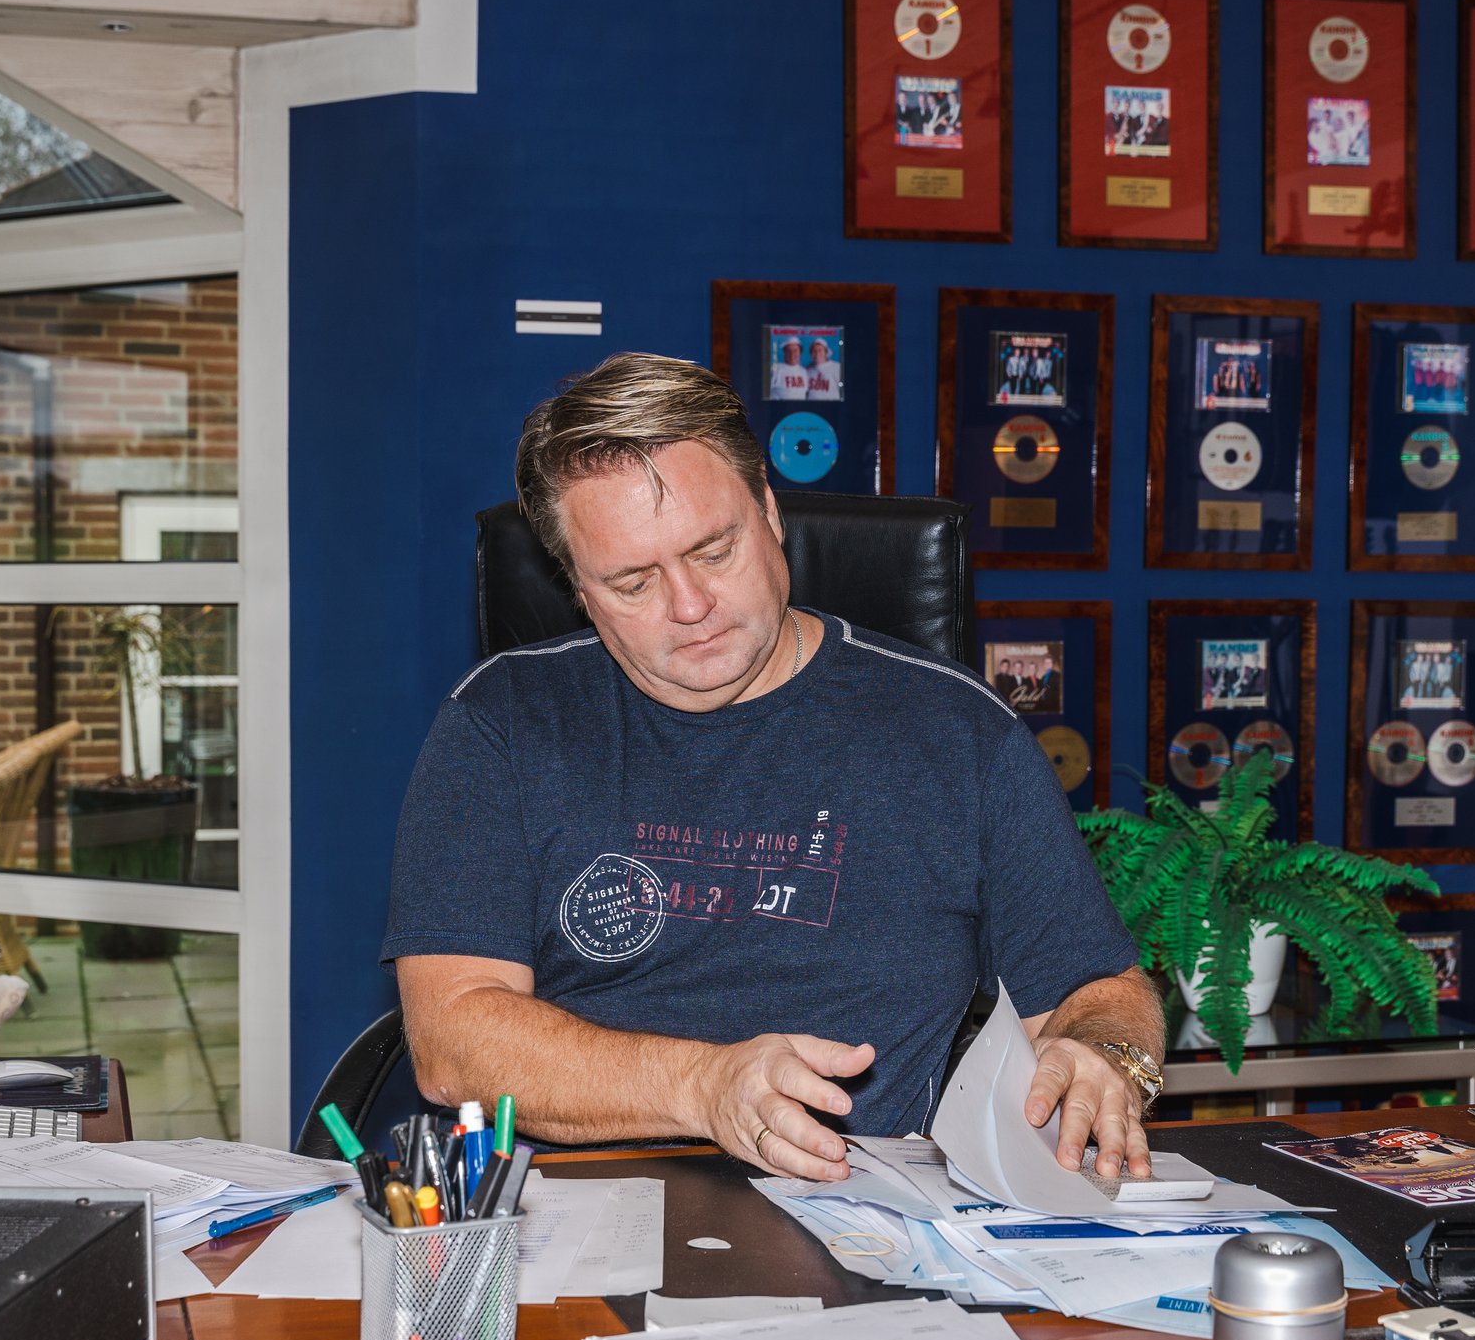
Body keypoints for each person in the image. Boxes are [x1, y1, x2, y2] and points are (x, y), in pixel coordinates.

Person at [383, 352, 1165, 1184]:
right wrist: (703, 1085)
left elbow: (1099, 989)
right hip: (574, 1225)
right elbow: (453, 1037)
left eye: (713, 550)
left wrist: (1102, 1057)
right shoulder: (504, 720)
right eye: (632, 581)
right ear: (577, 586)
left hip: (867, 1224)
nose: (689, 607)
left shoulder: (959, 732)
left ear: (768, 509)